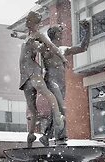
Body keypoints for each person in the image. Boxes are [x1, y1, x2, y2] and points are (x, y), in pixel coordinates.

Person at [19, 11, 67, 147]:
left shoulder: (38, 35)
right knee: (32, 108)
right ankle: (31, 134)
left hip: (33, 70)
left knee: (45, 91)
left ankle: (58, 117)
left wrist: (62, 58)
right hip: (23, 75)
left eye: (29, 20)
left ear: (35, 22)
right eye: (27, 19)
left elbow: (51, 46)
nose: (27, 22)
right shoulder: (28, 36)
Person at [39, 20, 91, 146]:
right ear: (53, 35)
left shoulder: (63, 49)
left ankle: (46, 135)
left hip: (61, 83)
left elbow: (82, 48)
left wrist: (87, 31)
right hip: (51, 81)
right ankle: (61, 137)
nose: (61, 34)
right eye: (59, 32)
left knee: (56, 110)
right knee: (61, 108)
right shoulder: (47, 48)